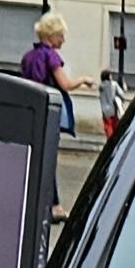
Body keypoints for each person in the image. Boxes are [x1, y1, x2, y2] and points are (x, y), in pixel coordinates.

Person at [20, 12, 91, 217]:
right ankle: (54, 206)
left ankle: (35, 201)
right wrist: (84, 80)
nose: (63, 40)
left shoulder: (28, 56)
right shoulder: (52, 56)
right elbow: (65, 85)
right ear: (51, 36)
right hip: (48, 112)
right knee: (49, 158)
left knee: (35, 155)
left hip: (31, 111)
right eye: (61, 36)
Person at [98, 69, 122, 141]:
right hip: (113, 108)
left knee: (108, 125)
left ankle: (110, 140)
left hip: (104, 110)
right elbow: (121, 93)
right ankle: (115, 139)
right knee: (115, 124)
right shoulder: (114, 84)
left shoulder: (101, 86)